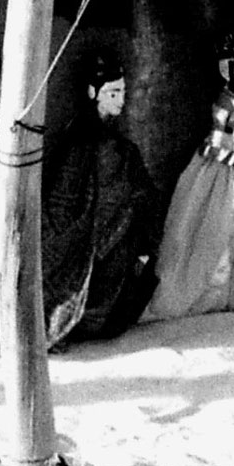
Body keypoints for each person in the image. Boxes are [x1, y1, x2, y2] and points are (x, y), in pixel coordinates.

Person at [142, 31, 234, 323]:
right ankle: (212, 284)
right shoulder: (224, 102)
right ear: (227, 69)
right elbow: (217, 135)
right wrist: (229, 149)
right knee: (217, 217)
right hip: (224, 159)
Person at [41, 49, 165, 348]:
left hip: (117, 241)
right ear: (92, 92)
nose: (120, 99)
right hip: (86, 242)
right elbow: (63, 203)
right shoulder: (78, 144)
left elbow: (139, 193)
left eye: (122, 91)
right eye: (112, 93)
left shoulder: (122, 147)